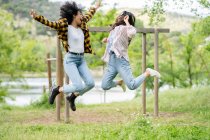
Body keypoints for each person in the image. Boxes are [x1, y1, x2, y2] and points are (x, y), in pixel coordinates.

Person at [30, 1, 101, 111]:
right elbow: (51, 24)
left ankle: (72, 97)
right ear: (74, 15)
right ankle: (57, 89)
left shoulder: (82, 23)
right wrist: (37, 17)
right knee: (79, 86)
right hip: (70, 60)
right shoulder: (64, 26)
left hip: (81, 59)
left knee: (91, 83)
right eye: (80, 14)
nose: (82, 16)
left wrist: (95, 6)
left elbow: (89, 14)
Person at [101, 11, 161, 92]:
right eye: (120, 15)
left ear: (126, 18)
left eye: (122, 16)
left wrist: (127, 22)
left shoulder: (127, 28)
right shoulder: (115, 29)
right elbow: (115, 42)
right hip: (112, 61)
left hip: (121, 60)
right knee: (105, 85)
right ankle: (119, 83)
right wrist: (107, 40)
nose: (119, 16)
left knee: (132, 85)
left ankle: (147, 72)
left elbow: (132, 33)